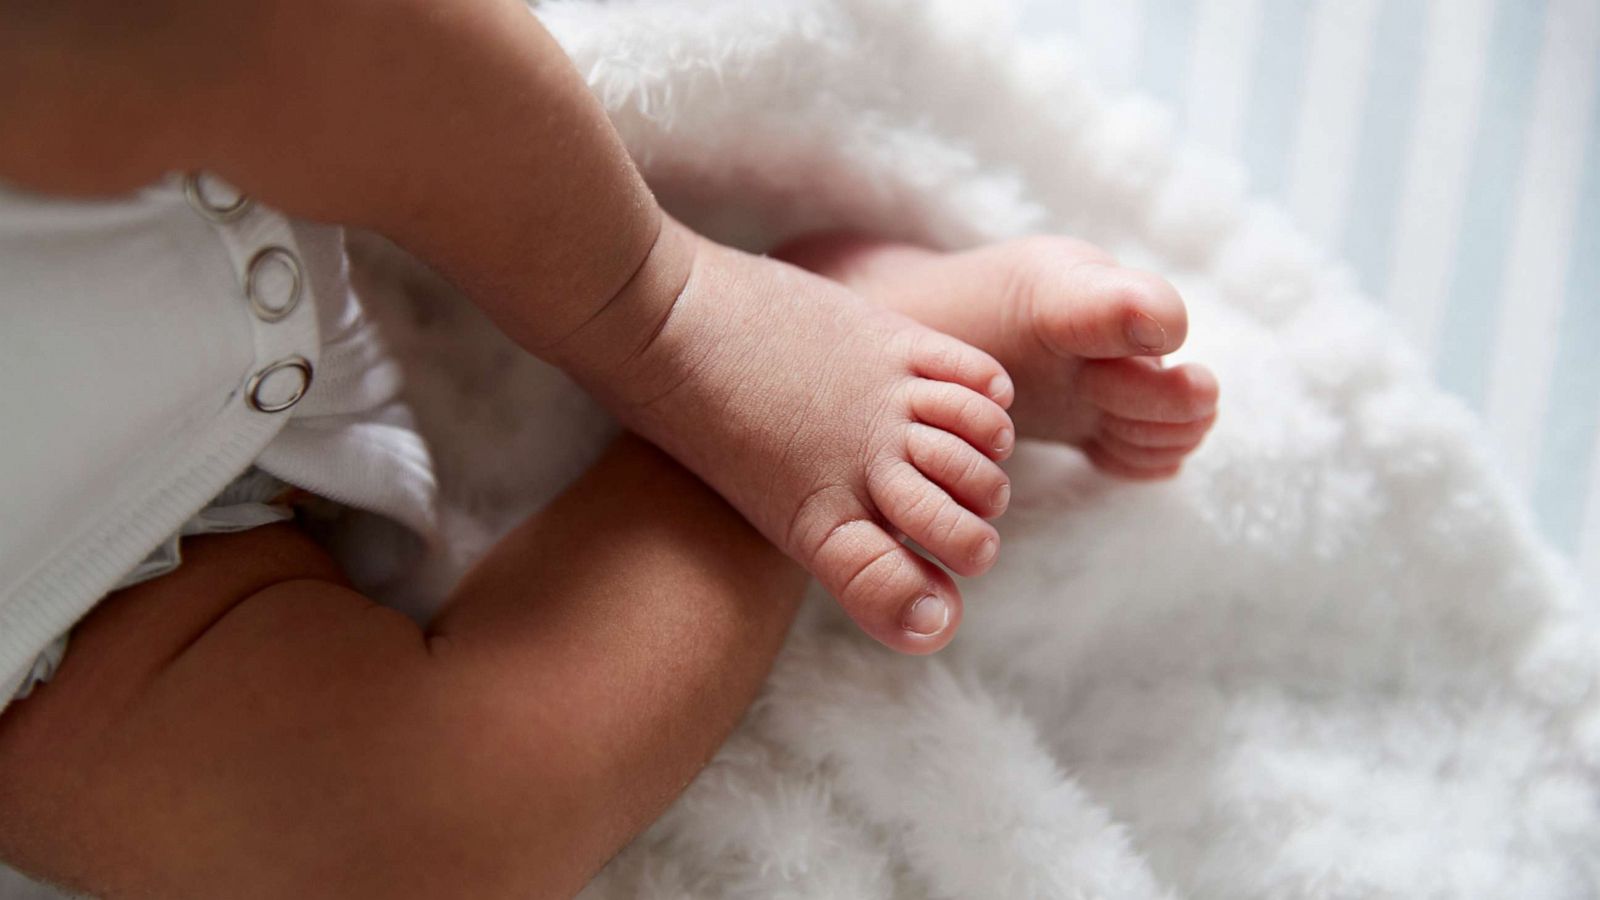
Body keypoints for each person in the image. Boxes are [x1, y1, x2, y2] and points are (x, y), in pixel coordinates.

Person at [0, 0, 1218, 894]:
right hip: (60, 631)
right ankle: (854, 349)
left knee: (208, 31)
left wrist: (647, 304)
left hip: (98, 175)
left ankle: (662, 306)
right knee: (414, 841)